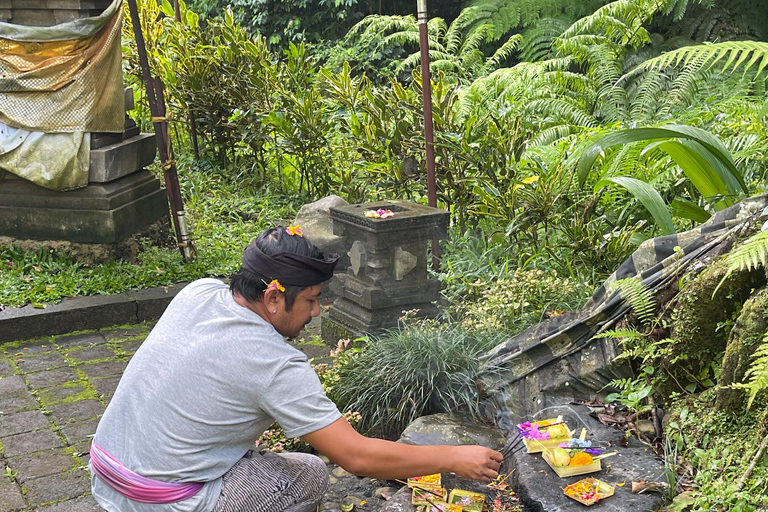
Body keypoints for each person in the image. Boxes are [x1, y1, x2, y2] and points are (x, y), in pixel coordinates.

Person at [90, 226, 503, 512]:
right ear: (273, 297)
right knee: (307, 474)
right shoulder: (274, 363)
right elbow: (356, 456)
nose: (317, 311)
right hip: (162, 500)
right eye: (310, 300)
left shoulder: (199, 292)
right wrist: (453, 456)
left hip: (109, 470)